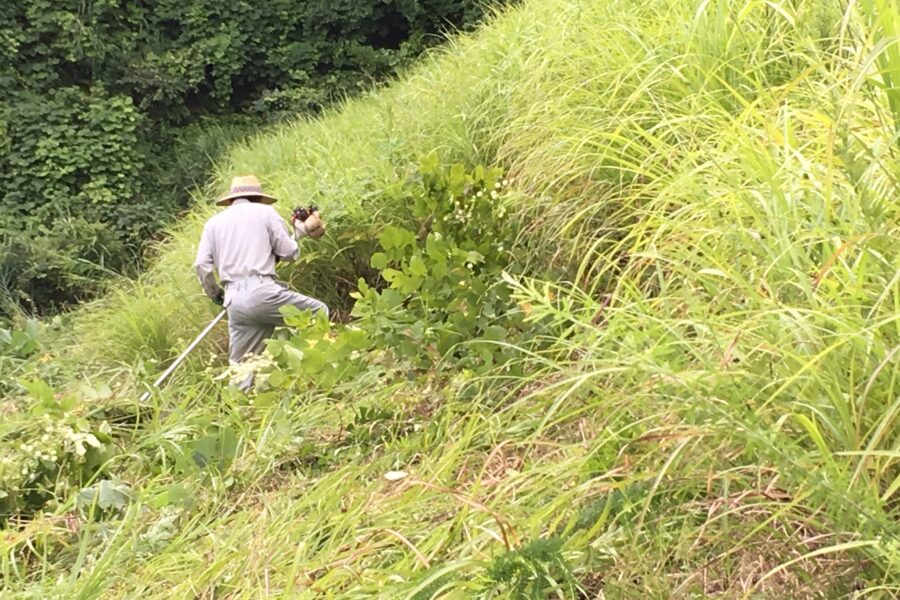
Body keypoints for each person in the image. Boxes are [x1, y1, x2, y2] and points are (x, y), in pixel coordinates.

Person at [193, 175, 328, 390]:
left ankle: (239, 414)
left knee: (242, 370)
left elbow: (201, 265)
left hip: (234, 300)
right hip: (261, 290)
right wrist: (299, 233)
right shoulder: (266, 213)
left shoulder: (213, 224)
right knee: (319, 313)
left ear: (231, 199)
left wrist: (215, 294)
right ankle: (324, 373)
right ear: (257, 197)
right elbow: (289, 252)